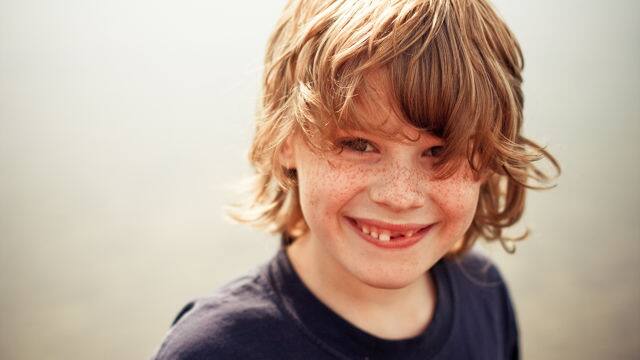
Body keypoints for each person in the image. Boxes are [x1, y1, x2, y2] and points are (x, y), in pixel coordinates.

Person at [151, 0, 559, 359]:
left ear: (489, 158)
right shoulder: (214, 350)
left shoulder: (484, 294)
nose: (399, 196)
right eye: (358, 145)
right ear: (286, 139)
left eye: (438, 151)